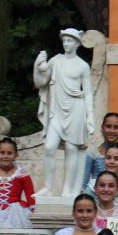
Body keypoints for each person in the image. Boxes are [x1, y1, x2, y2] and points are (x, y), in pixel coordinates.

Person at [34, 28, 94, 197]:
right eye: (64, 41)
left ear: (77, 43)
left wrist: (90, 118)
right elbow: (41, 83)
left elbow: (88, 92)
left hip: (76, 109)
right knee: (49, 147)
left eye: (70, 41)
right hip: (56, 110)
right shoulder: (55, 61)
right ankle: (48, 187)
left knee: (71, 149)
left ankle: (68, 189)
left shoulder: (82, 66)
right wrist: (38, 66)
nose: (66, 44)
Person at [0, 138, 36, 228]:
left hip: (16, 213)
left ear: (16, 155)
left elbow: (31, 198)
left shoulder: (22, 174)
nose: (5, 156)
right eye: (2, 152)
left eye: (9, 153)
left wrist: (34, 213)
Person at [82, 112, 118, 188]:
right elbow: (84, 184)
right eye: (108, 126)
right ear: (102, 128)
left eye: (116, 127)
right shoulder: (92, 154)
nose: (112, 131)